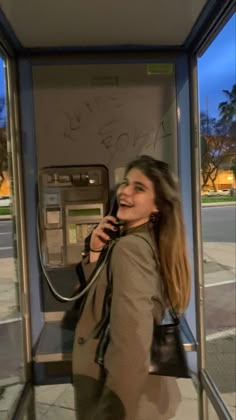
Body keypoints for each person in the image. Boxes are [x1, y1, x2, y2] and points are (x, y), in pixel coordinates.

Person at [72, 155, 191, 420]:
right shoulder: (147, 241)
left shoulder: (129, 250)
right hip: (148, 396)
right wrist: (94, 252)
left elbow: (131, 345)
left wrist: (112, 412)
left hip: (125, 402)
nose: (124, 191)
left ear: (157, 206)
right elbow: (99, 299)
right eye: (126, 183)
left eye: (139, 188)